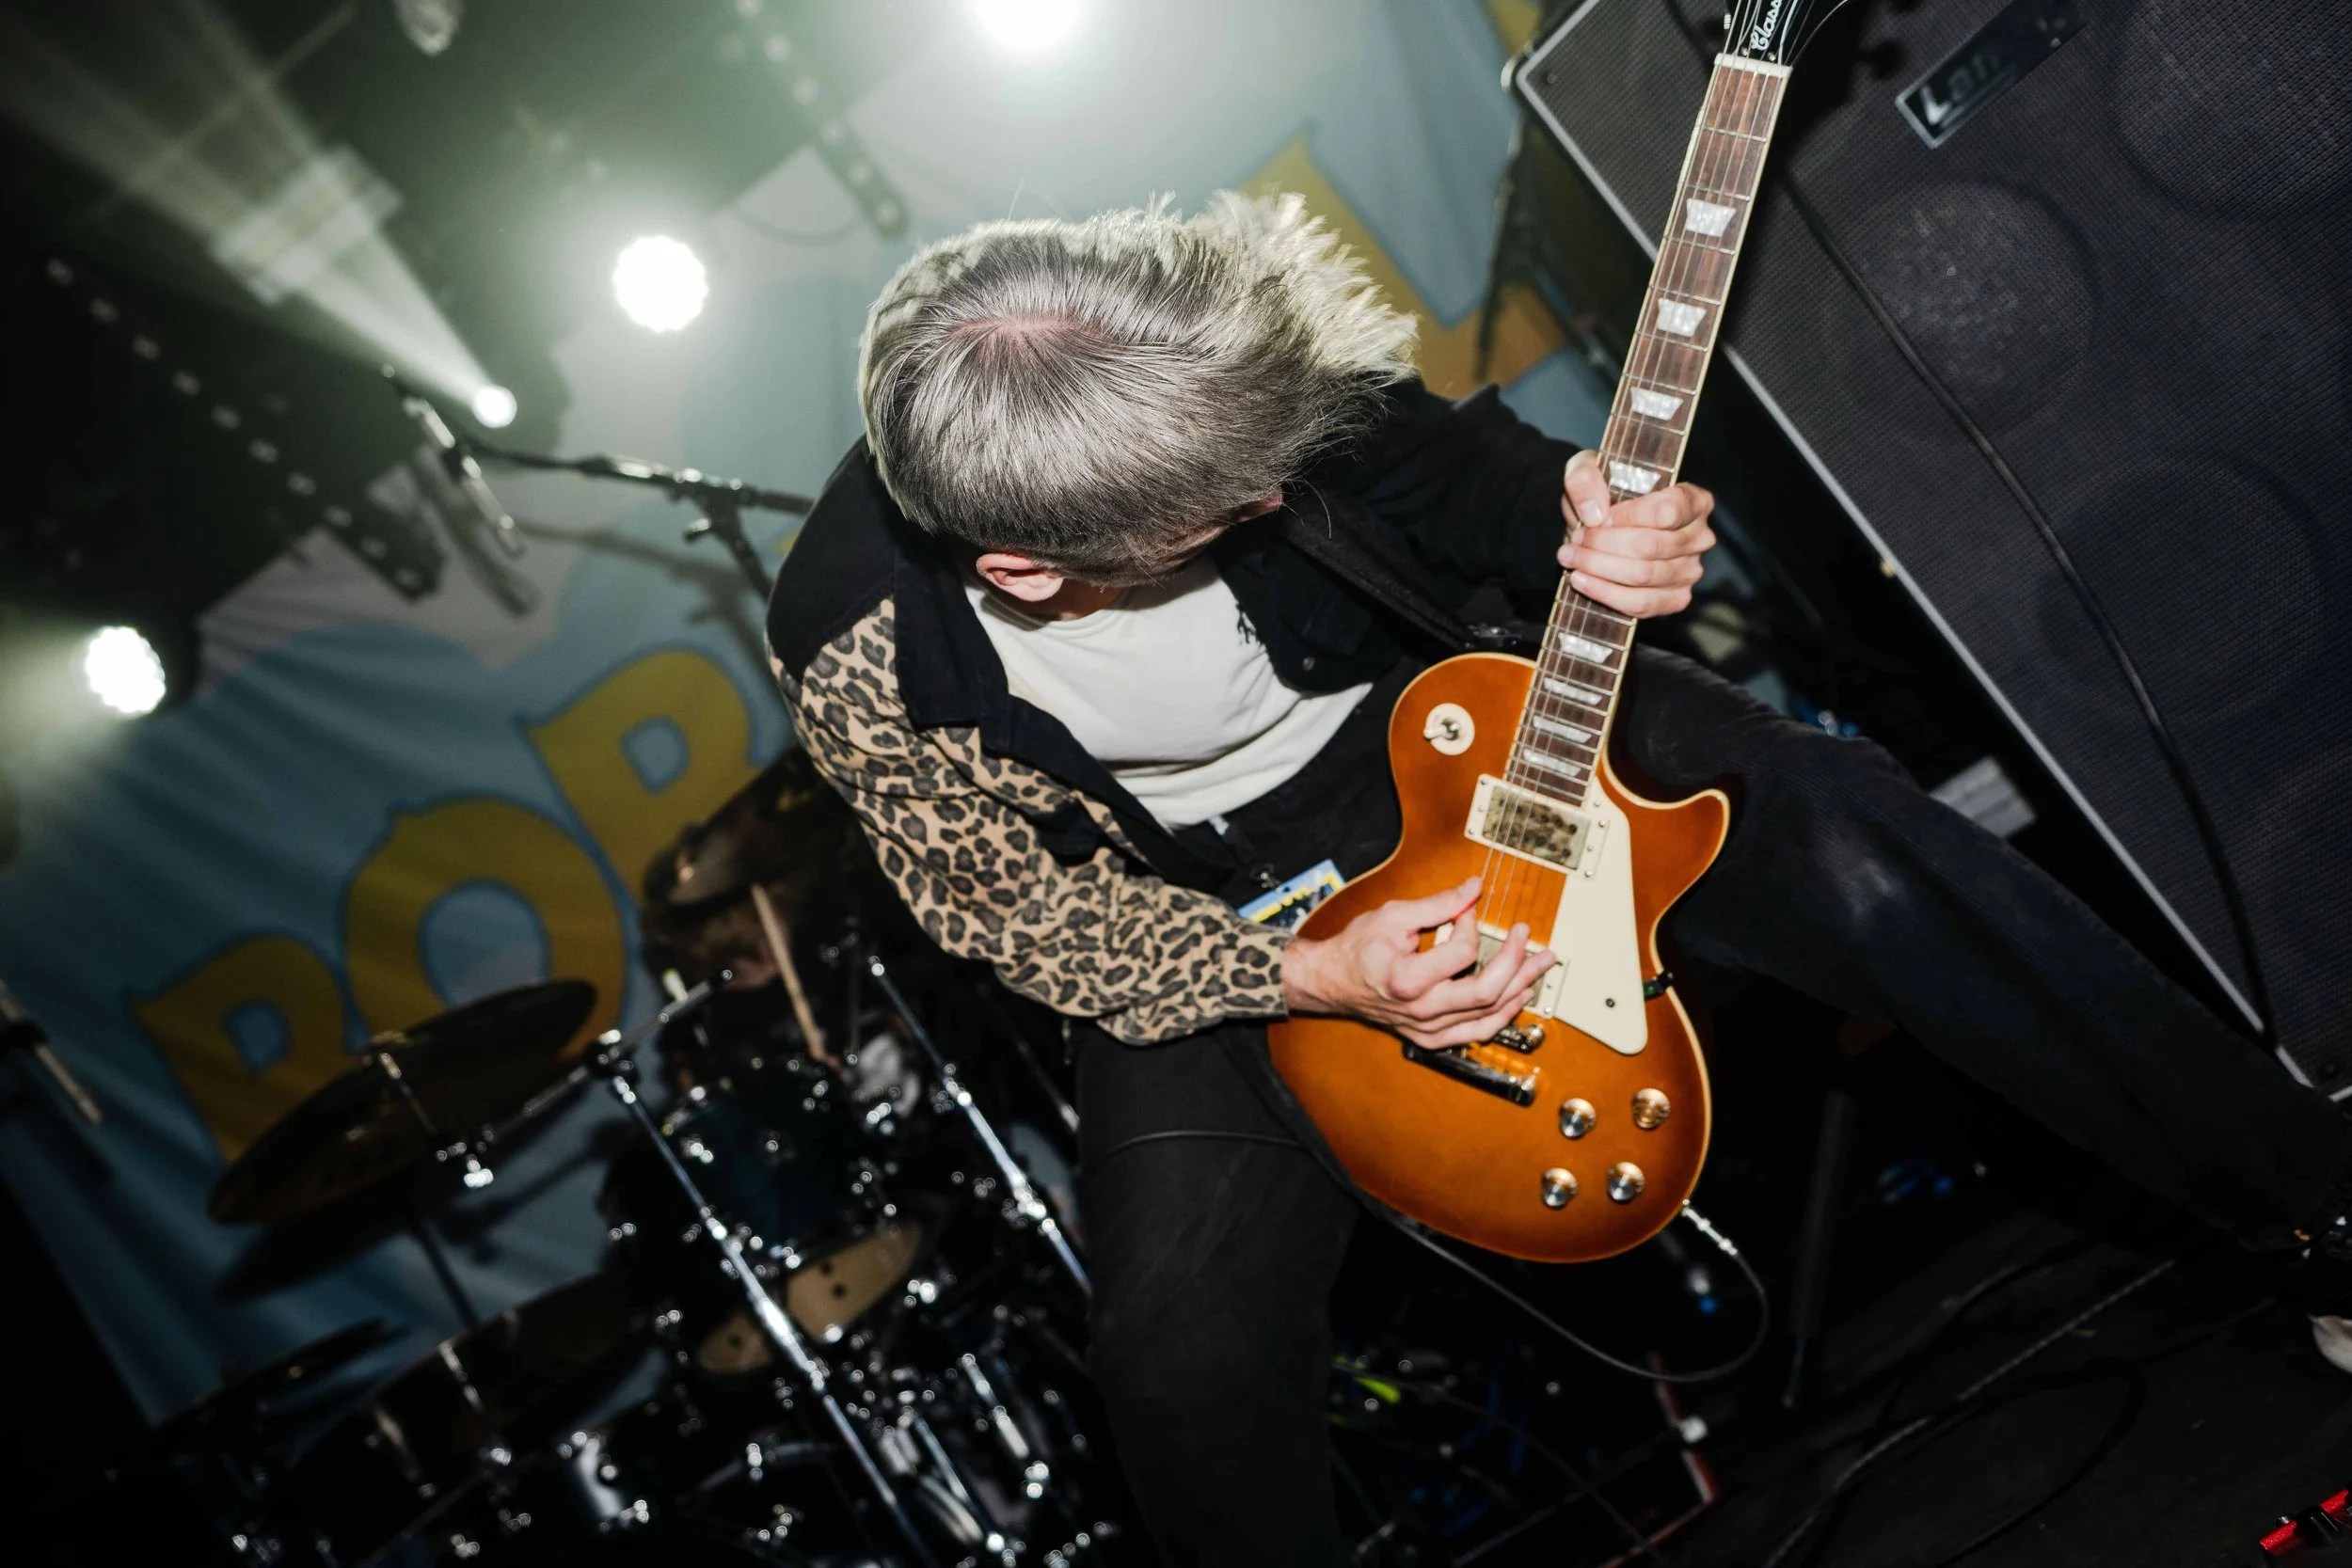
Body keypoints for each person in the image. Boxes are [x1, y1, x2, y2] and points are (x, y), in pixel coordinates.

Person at [763, 194, 2352, 1564]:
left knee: (1850, 837)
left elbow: (1462, 479)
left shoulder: (1186, 341)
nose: (1271, 497)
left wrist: (1593, 518)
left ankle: (2314, 1204)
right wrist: (1314, 972)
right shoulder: (854, 650)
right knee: (1179, 1355)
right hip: (1203, 906)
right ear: (1025, 571)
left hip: (1445, 722)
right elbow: (1016, 911)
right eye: (1229, 511)